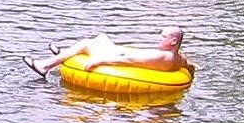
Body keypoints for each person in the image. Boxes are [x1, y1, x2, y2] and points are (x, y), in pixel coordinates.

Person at [22, 26, 193, 79]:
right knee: (102, 37)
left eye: (162, 37)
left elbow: (129, 59)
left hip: (118, 64)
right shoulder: (178, 57)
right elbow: (189, 65)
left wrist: (100, 62)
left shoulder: (161, 55)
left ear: (173, 41)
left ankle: (44, 66)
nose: (158, 39)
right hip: (127, 59)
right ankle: (65, 53)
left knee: (86, 43)